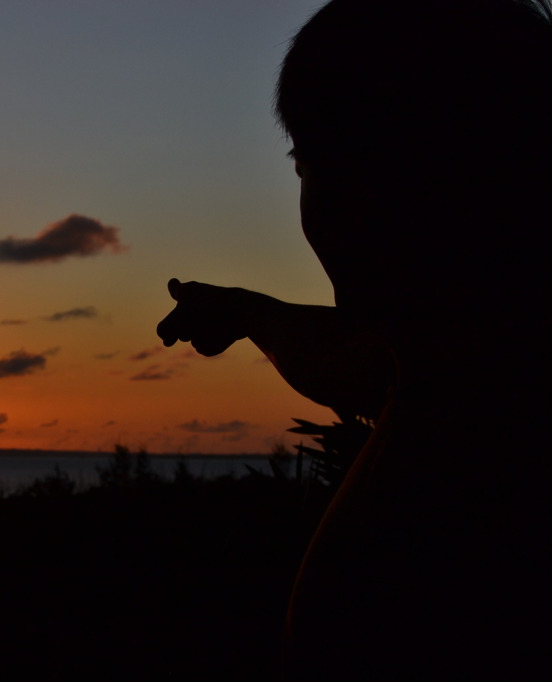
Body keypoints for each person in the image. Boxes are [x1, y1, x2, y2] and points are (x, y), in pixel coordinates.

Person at [157, 1, 551, 679]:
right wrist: (252, 314)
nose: (328, 203)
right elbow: (350, 362)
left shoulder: (487, 452)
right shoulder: (472, 363)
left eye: (312, 163)